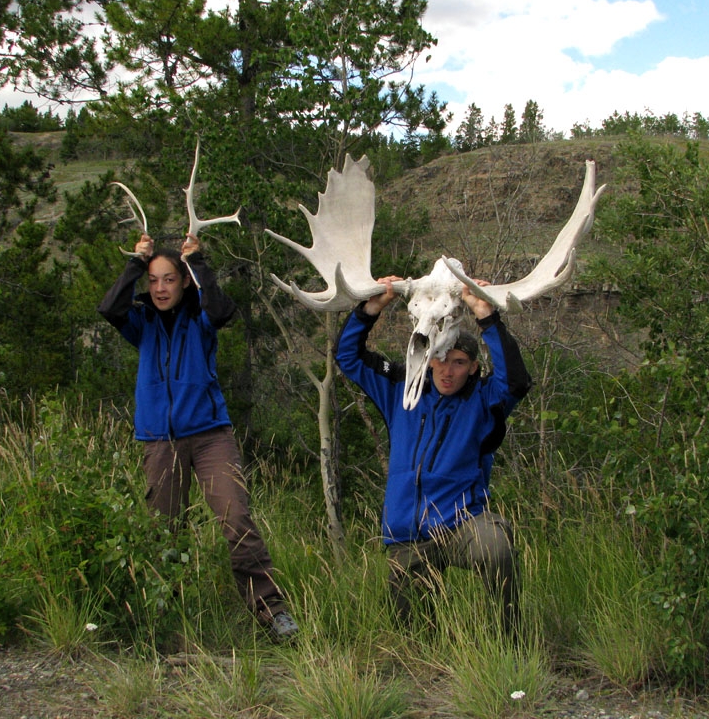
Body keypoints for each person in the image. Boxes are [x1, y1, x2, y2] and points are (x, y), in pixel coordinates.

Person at [98, 231, 297, 643]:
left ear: (183, 280)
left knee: (236, 519)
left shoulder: (199, 317)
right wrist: (136, 263)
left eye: (169, 278)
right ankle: (162, 618)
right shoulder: (143, 321)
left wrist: (199, 263)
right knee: (162, 530)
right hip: (160, 440)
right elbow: (109, 308)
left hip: (209, 436)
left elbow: (222, 311)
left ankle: (272, 612)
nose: (159, 288)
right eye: (153, 280)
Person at [335, 275, 532, 636]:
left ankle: (512, 642)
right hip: (408, 535)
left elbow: (516, 382)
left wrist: (486, 315)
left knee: (496, 550)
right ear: (427, 360)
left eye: (459, 362)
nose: (447, 370)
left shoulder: (483, 401)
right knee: (414, 637)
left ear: (473, 367)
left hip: (462, 524)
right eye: (439, 359)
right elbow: (348, 356)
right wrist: (371, 309)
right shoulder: (401, 391)